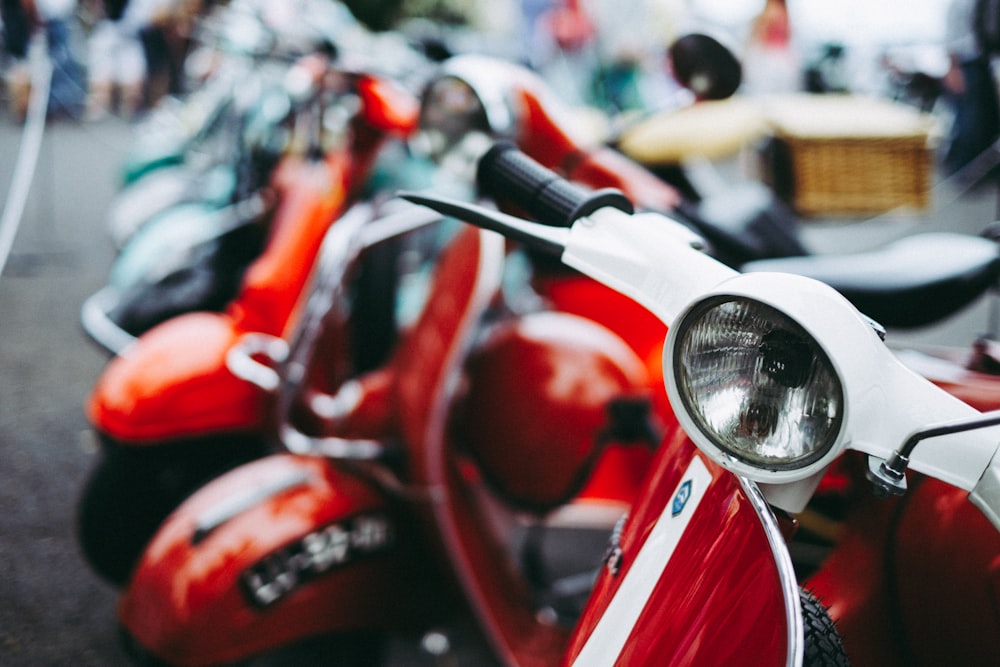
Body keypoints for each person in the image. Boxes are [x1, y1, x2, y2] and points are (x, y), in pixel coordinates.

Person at [942, 0, 1000, 177]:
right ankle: (965, 169)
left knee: (986, 118)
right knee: (970, 119)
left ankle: (984, 172)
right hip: (967, 62)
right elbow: (951, 35)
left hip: (986, 61)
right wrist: (953, 68)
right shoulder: (961, 3)